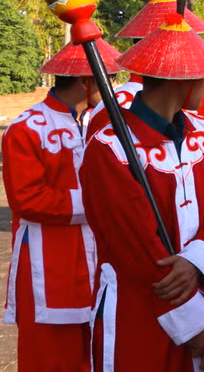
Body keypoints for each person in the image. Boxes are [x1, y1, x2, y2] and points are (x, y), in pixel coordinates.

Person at [82, 15, 204, 371]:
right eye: (202, 74)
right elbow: (134, 245)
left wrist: (195, 262)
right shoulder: (109, 146)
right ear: (181, 81)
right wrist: (190, 318)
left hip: (201, 290)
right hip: (138, 305)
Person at [2, 40, 119, 372]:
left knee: (90, 353)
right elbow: (27, 198)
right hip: (46, 261)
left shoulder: (93, 124)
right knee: (50, 357)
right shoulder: (26, 128)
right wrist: (99, 202)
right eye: (107, 78)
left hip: (91, 258)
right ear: (88, 81)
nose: (111, 86)